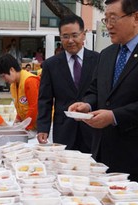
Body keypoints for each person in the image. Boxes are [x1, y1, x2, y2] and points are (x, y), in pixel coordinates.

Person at [68, 0, 138, 185]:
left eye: (113, 18)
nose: (109, 25)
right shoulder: (106, 54)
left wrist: (114, 116)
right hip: (102, 151)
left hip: (137, 155)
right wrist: (86, 105)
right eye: (106, 19)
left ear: (135, 17)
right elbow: (95, 90)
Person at [37, 15, 99, 153]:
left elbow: (102, 93)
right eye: (65, 36)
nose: (70, 40)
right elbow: (45, 99)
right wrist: (43, 128)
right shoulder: (50, 65)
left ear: (84, 35)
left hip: (92, 129)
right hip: (64, 130)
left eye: (74, 35)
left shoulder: (98, 60)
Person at [0, 54, 40, 131]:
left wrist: (26, 128)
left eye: (3, 76)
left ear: (12, 70)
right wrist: (17, 120)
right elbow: (21, 106)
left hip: (39, 127)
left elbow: (35, 107)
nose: (4, 80)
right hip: (30, 126)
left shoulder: (30, 81)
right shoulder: (13, 85)